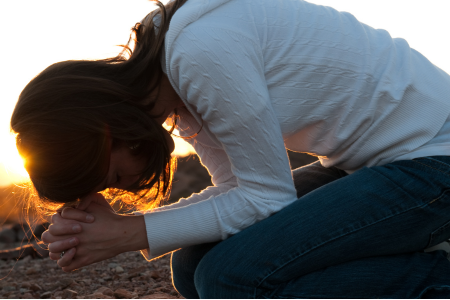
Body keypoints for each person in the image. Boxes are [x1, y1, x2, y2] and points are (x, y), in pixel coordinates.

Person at [10, 0, 450, 298]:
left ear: (106, 129)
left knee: (230, 278)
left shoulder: (200, 56)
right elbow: (242, 189)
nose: (127, 186)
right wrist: (131, 225)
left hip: (433, 160)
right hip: (373, 163)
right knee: (192, 265)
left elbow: (265, 198)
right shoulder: (169, 84)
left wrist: (129, 234)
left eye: (114, 178)